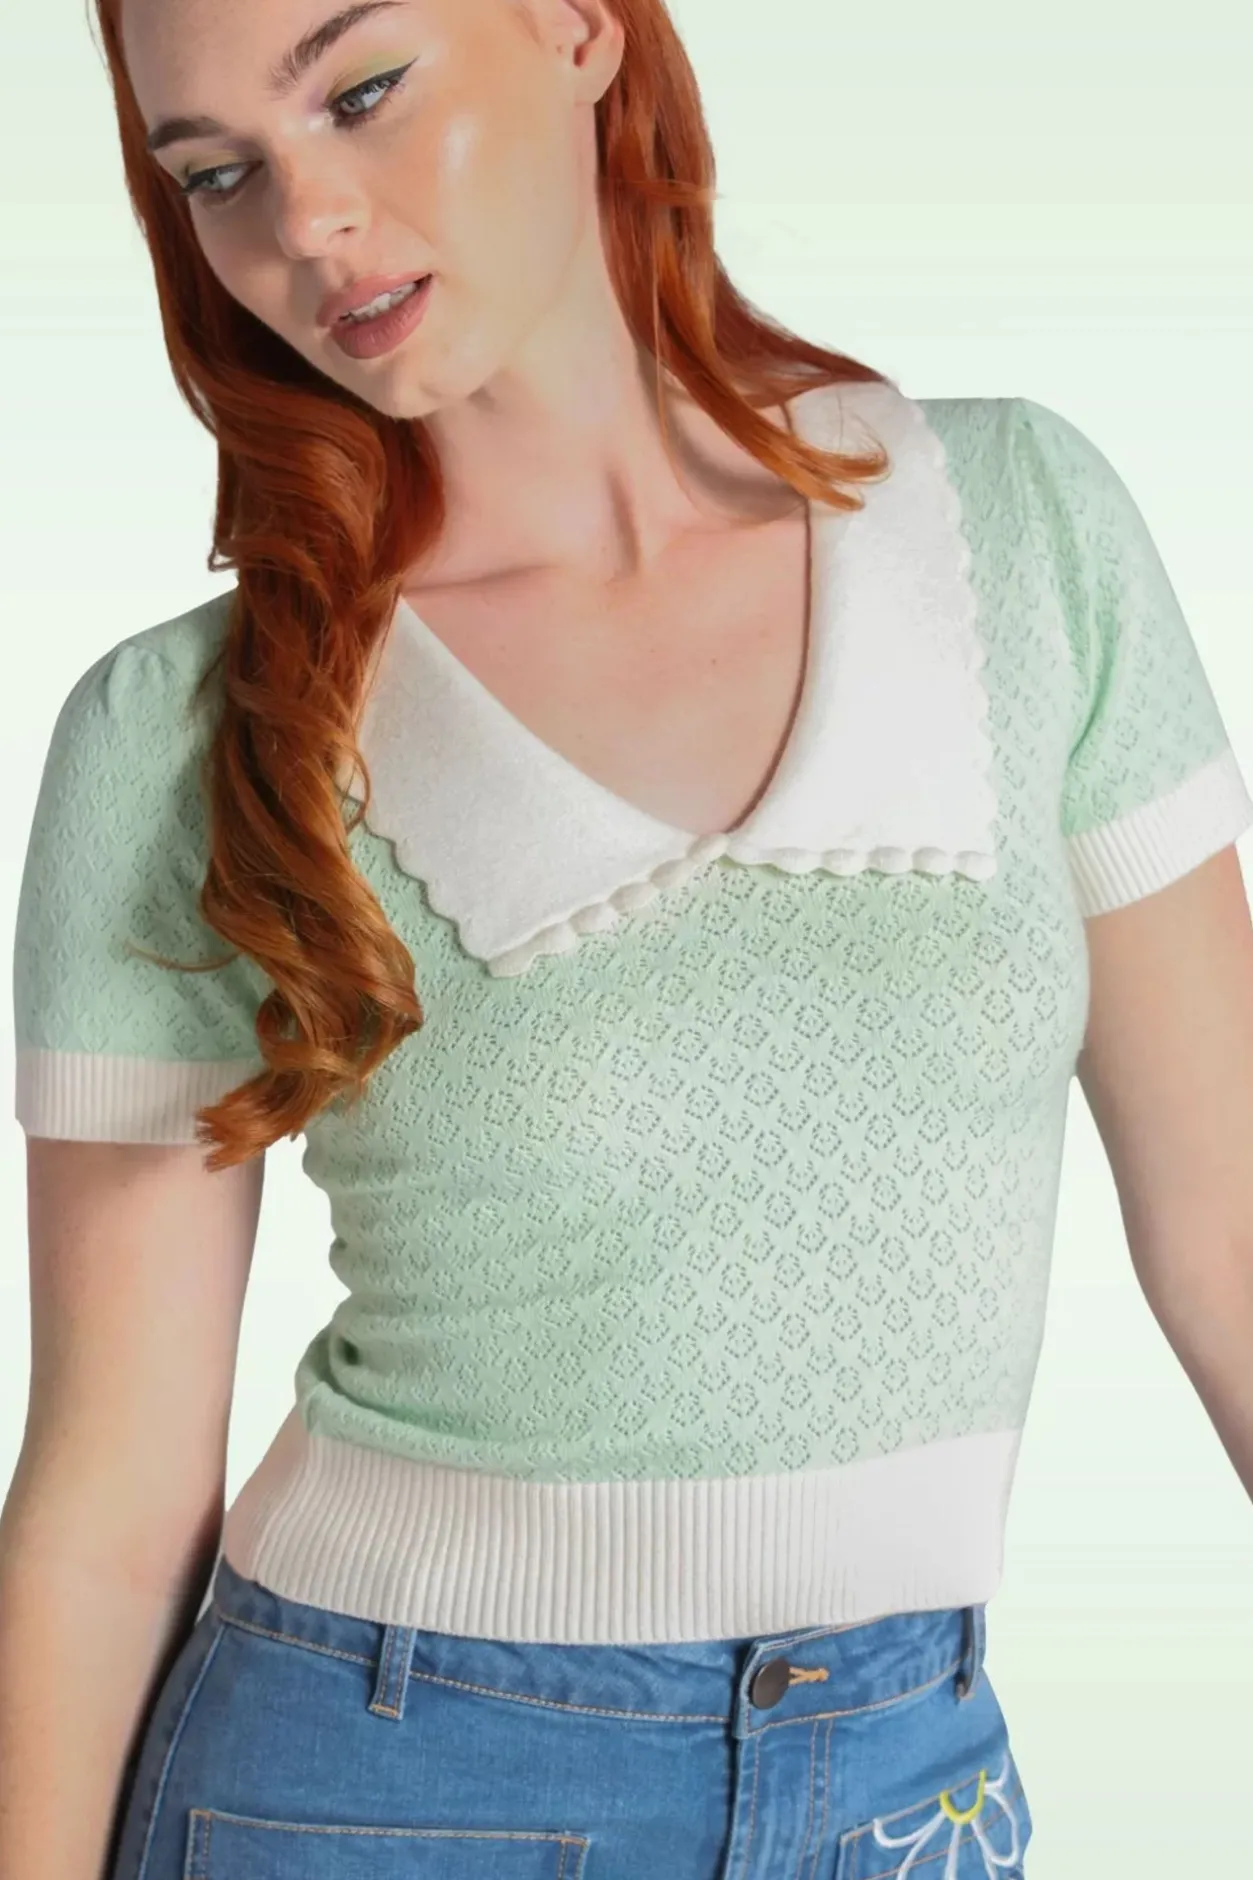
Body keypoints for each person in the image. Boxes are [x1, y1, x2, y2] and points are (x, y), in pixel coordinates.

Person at [3, 0, 1252, 1874]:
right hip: (376, 1784)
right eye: (218, 175)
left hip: (909, 1772)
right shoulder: (193, 733)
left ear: (580, 26)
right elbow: (109, 1495)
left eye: (361, 90)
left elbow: (1232, 1235)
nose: (307, 222)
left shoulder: (1020, 531)